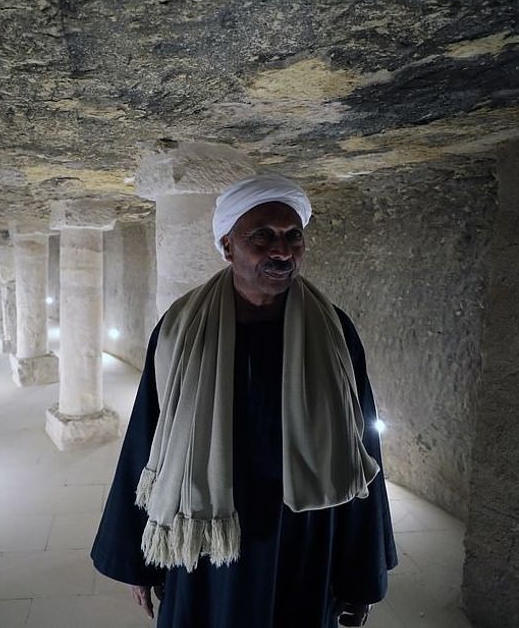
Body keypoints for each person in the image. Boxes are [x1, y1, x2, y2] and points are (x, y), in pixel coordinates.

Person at [91, 174, 397, 627]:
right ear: (228, 245)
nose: (282, 250)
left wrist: (360, 574)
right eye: (263, 237)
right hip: (208, 538)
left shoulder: (334, 331)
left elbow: (360, 447)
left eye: (293, 236)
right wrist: (141, 558)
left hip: (305, 531)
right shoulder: (179, 329)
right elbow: (147, 439)